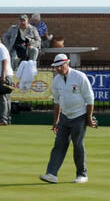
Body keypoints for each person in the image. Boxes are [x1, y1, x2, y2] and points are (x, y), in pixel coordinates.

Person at [40, 52, 96, 184]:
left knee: (78, 144)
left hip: (79, 116)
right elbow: (56, 102)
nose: (58, 69)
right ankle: (52, 174)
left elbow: (90, 99)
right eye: (56, 67)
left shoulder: (79, 77)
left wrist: (88, 118)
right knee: (59, 144)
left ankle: (82, 174)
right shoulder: (57, 80)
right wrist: (56, 121)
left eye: (60, 66)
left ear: (67, 63)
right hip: (65, 117)